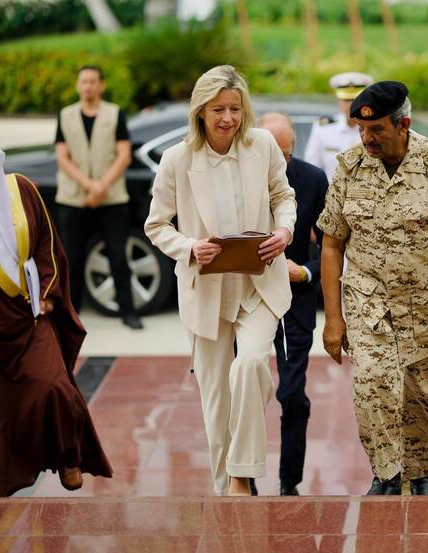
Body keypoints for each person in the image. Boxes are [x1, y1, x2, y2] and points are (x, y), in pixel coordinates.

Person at [318, 81, 428, 495]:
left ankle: (421, 473)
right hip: (369, 304)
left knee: (426, 400)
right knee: (373, 385)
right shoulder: (350, 168)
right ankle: (387, 476)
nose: (367, 139)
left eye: (377, 131)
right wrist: (334, 320)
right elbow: (332, 244)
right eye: (361, 130)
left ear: (404, 124)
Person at [144, 65, 296, 496]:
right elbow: (156, 226)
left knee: (249, 366)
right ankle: (225, 487)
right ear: (201, 112)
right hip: (205, 288)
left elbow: (284, 197)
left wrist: (284, 232)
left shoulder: (262, 144)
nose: (228, 118)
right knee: (217, 397)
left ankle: (242, 474)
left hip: (259, 284)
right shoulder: (177, 159)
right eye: (218, 110)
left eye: (235, 108)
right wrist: (190, 247)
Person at [0, 132, 112, 496]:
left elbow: (48, 245)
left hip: (30, 317)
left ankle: (68, 456)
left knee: (55, 389)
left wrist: (49, 295)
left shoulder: (21, 190)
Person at [257, 112, 329, 496]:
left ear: (293, 149)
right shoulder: (238, 175)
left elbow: (334, 248)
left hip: (294, 299)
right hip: (246, 299)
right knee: (245, 391)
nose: (278, 165)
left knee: (292, 395)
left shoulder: (313, 179)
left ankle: (289, 482)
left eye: (284, 156)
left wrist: (304, 272)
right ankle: (244, 478)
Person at [54, 65, 142, 329]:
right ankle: (71, 313)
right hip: (74, 198)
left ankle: (128, 312)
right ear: (77, 85)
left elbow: (124, 155)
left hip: (112, 198)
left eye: (93, 82)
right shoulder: (66, 115)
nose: (88, 86)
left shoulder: (115, 114)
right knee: (72, 258)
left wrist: (101, 186)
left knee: (118, 256)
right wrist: (88, 186)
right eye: (84, 82)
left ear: (101, 85)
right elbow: (62, 156)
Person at [304, 72, 374, 181]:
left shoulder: (374, 128)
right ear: (339, 102)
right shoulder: (323, 129)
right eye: (346, 100)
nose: (351, 105)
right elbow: (311, 168)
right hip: (332, 194)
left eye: (355, 100)